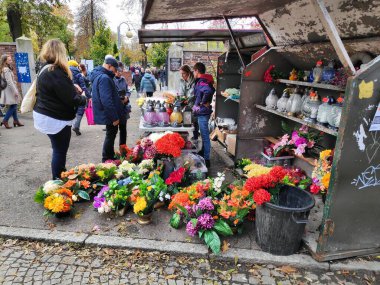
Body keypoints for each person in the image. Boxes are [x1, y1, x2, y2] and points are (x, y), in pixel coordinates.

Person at [33, 39, 86, 179]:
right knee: (59, 151)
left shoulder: (45, 68)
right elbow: (71, 99)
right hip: (55, 117)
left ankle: (59, 174)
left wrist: (71, 88)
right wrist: (84, 98)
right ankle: (57, 180)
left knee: (58, 149)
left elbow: (54, 91)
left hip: (45, 113)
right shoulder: (55, 71)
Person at [90, 57, 126, 162]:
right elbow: (106, 100)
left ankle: (109, 156)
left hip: (107, 113)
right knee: (110, 135)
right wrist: (114, 117)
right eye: (114, 70)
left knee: (111, 134)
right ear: (109, 66)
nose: (115, 72)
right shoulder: (104, 78)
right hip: (109, 114)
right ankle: (106, 159)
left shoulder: (100, 76)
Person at [192, 62, 215, 168]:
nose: (193, 73)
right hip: (202, 112)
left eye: (194, 71)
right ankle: (203, 151)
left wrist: (202, 102)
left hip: (203, 112)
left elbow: (208, 91)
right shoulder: (204, 80)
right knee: (203, 134)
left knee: (205, 136)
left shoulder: (202, 81)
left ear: (197, 70)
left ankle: (207, 159)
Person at [0, 54, 23, 129]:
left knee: (13, 105)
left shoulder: (6, 68)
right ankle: (5, 120)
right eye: (9, 60)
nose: (11, 61)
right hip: (10, 90)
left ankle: (16, 121)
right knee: (14, 105)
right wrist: (15, 91)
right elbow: (9, 82)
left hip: (9, 89)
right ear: (5, 61)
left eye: (11, 59)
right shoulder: (6, 69)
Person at [69, 60, 91, 136]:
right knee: (80, 109)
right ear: (76, 66)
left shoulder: (65, 73)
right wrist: (89, 96)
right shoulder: (78, 74)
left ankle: (68, 127)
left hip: (69, 95)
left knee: (71, 111)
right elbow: (83, 87)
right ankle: (76, 126)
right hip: (78, 95)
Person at [114, 63, 131, 147]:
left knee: (123, 129)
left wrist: (126, 97)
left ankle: (123, 147)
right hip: (116, 108)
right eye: (118, 71)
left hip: (124, 108)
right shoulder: (111, 80)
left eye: (121, 71)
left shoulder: (123, 79)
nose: (119, 73)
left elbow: (128, 90)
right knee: (113, 131)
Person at [178, 64, 198, 140]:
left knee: (194, 120)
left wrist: (185, 99)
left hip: (193, 103)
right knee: (185, 120)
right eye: (181, 74)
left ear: (188, 73)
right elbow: (181, 92)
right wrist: (181, 98)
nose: (182, 75)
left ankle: (195, 137)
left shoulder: (194, 81)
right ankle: (184, 137)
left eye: (183, 73)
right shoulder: (182, 81)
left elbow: (192, 94)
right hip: (185, 103)